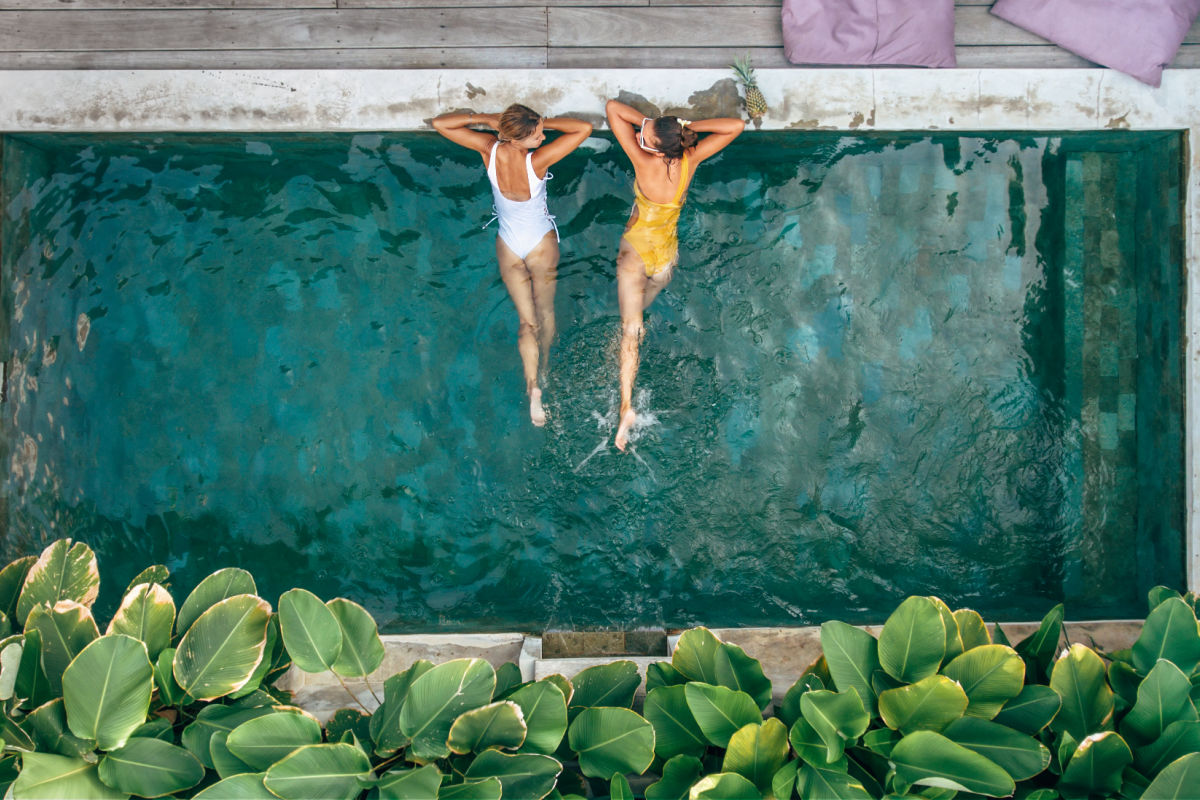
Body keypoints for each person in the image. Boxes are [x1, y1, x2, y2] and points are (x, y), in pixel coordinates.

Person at [432, 105, 592, 426]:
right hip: (539, 244)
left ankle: (531, 386)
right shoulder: (536, 160)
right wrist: (540, 123)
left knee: (526, 323)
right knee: (545, 312)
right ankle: (544, 371)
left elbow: (441, 124)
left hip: (508, 245)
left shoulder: (488, 148)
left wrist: (487, 121)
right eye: (538, 135)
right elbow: (583, 129)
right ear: (521, 140)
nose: (543, 137)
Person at [605, 100, 745, 451]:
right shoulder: (689, 160)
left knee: (630, 330)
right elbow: (735, 126)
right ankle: (627, 350)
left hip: (636, 252)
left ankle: (626, 405)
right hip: (665, 257)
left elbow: (612, 109)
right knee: (637, 316)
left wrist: (646, 123)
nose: (640, 135)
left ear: (653, 147)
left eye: (646, 136)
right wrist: (688, 128)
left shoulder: (642, 160)